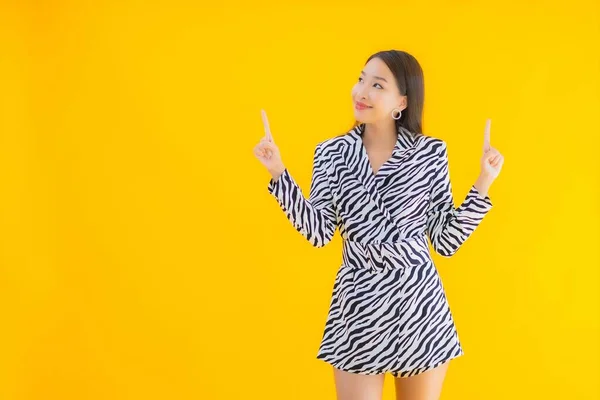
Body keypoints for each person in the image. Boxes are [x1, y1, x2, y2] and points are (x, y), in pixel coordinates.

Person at [253, 50, 504, 400]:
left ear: (402, 100)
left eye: (377, 85)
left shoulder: (430, 153)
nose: (362, 92)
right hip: (358, 305)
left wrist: (483, 183)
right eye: (360, 80)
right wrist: (279, 172)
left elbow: (446, 240)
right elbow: (319, 231)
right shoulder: (331, 153)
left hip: (419, 306)